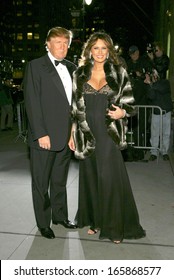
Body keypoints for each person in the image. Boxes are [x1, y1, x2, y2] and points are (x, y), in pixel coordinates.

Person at [68, 32, 146, 243]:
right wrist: (72, 133)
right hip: (87, 133)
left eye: (104, 48)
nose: (100, 52)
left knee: (110, 179)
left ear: (109, 51)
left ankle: (114, 227)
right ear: (89, 50)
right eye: (96, 48)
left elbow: (130, 104)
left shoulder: (119, 72)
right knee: (92, 178)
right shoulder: (80, 73)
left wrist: (123, 112)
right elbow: (75, 108)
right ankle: (96, 221)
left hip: (109, 133)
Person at [24, 26, 77, 239]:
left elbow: (73, 105)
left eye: (65, 43)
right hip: (44, 137)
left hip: (65, 136)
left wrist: (73, 132)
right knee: (40, 183)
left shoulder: (72, 68)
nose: (62, 47)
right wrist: (40, 133)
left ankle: (60, 216)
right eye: (58, 42)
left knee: (59, 181)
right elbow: (32, 102)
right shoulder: (35, 66)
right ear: (48, 43)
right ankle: (44, 223)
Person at [126, 45, 152, 160]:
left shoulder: (144, 62)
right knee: (131, 127)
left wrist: (140, 75)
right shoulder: (128, 64)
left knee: (141, 127)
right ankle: (132, 152)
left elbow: (150, 76)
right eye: (131, 53)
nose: (133, 55)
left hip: (143, 101)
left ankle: (139, 151)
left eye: (135, 53)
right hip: (131, 101)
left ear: (138, 52)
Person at [144, 69, 173, 161]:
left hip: (166, 111)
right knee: (154, 134)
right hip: (156, 112)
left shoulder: (165, 82)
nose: (154, 76)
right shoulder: (151, 85)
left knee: (166, 133)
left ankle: (164, 152)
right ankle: (154, 152)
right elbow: (151, 96)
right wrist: (150, 84)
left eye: (155, 74)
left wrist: (151, 84)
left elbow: (162, 89)